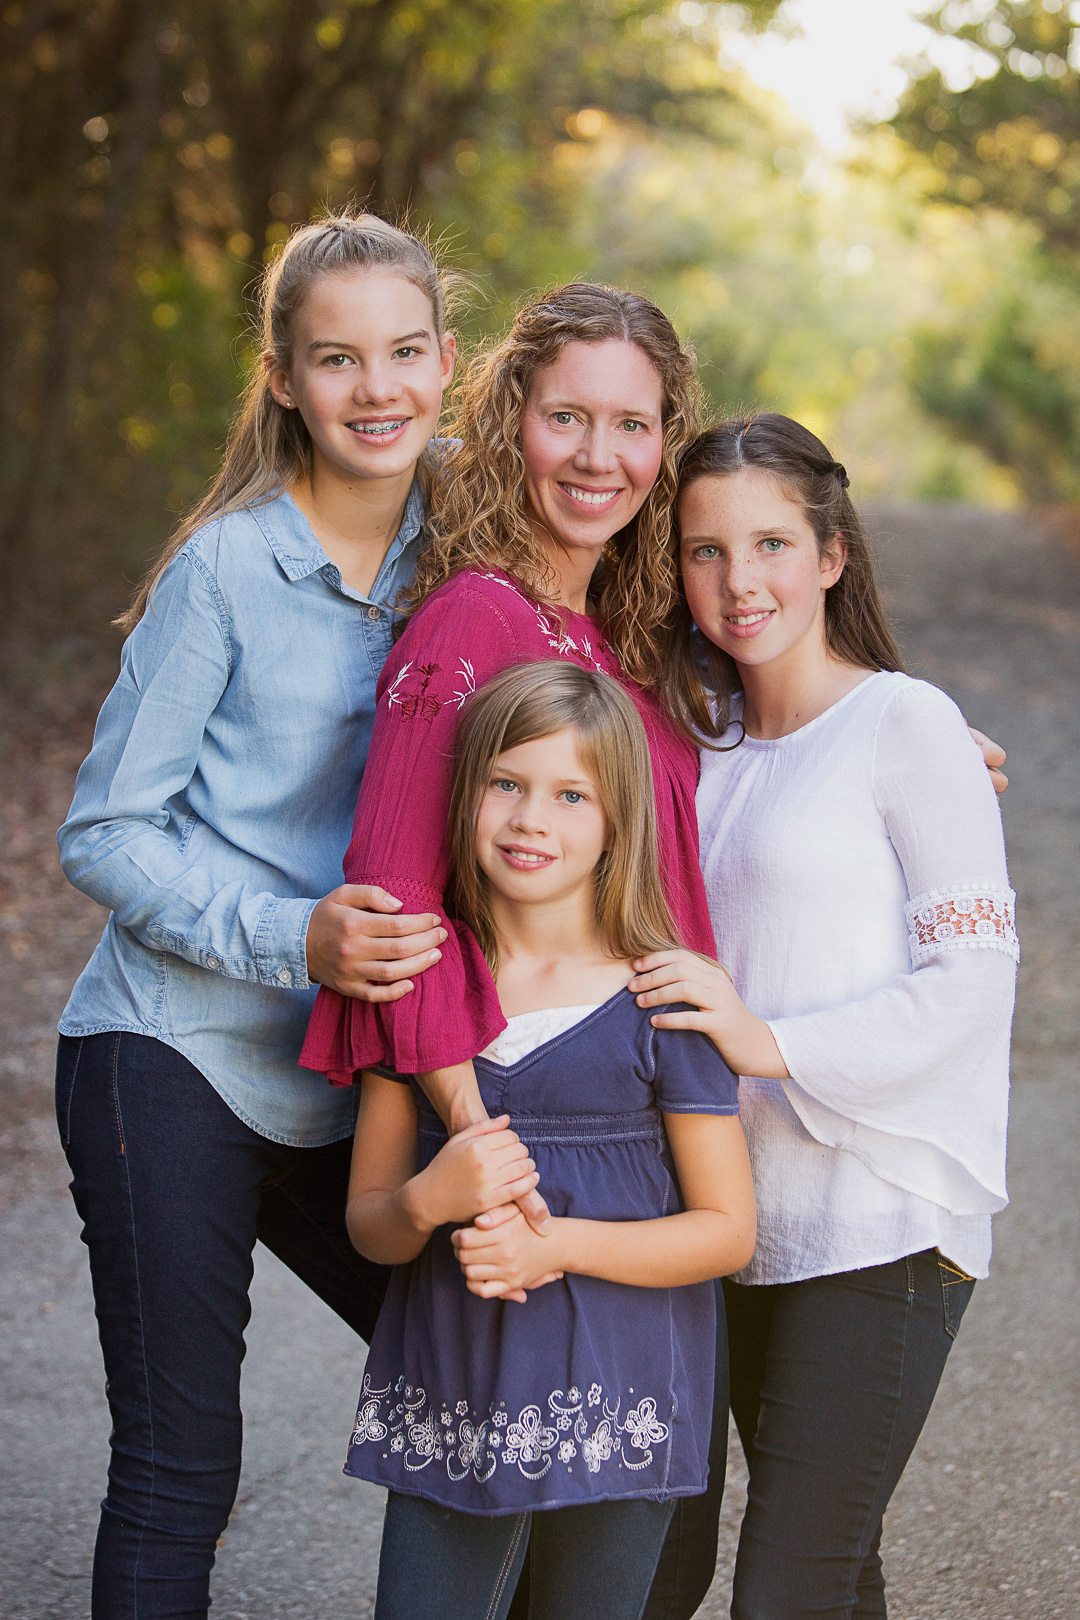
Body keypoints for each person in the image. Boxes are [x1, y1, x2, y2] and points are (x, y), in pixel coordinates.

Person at [54, 213, 464, 1619]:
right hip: (174, 1052)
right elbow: (104, 833)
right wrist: (297, 937)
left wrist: (868, 732)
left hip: (359, 1072)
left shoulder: (472, 540)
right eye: (336, 358)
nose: (376, 388)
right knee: (181, 1469)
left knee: (491, 1369)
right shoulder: (223, 573)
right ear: (283, 377)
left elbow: (631, 638)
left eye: (404, 351)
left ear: (447, 361)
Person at [630, 412, 1018, 1618]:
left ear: (833, 555)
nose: (739, 581)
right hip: (732, 1214)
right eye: (705, 550)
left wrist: (768, 1041)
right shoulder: (697, 743)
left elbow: (972, 986)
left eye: (772, 545)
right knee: (836, 1576)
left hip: (878, 1217)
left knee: (786, 1591)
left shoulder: (908, 725)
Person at [344, 661, 756, 1620]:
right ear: (466, 794)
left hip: (619, 1393)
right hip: (452, 1391)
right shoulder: (416, 981)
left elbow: (726, 1231)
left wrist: (554, 1245)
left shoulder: (664, 998)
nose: (532, 819)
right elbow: (370, 1225)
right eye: (507, 783)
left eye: (573, 795)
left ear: (618, 823)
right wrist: (426, 1200)